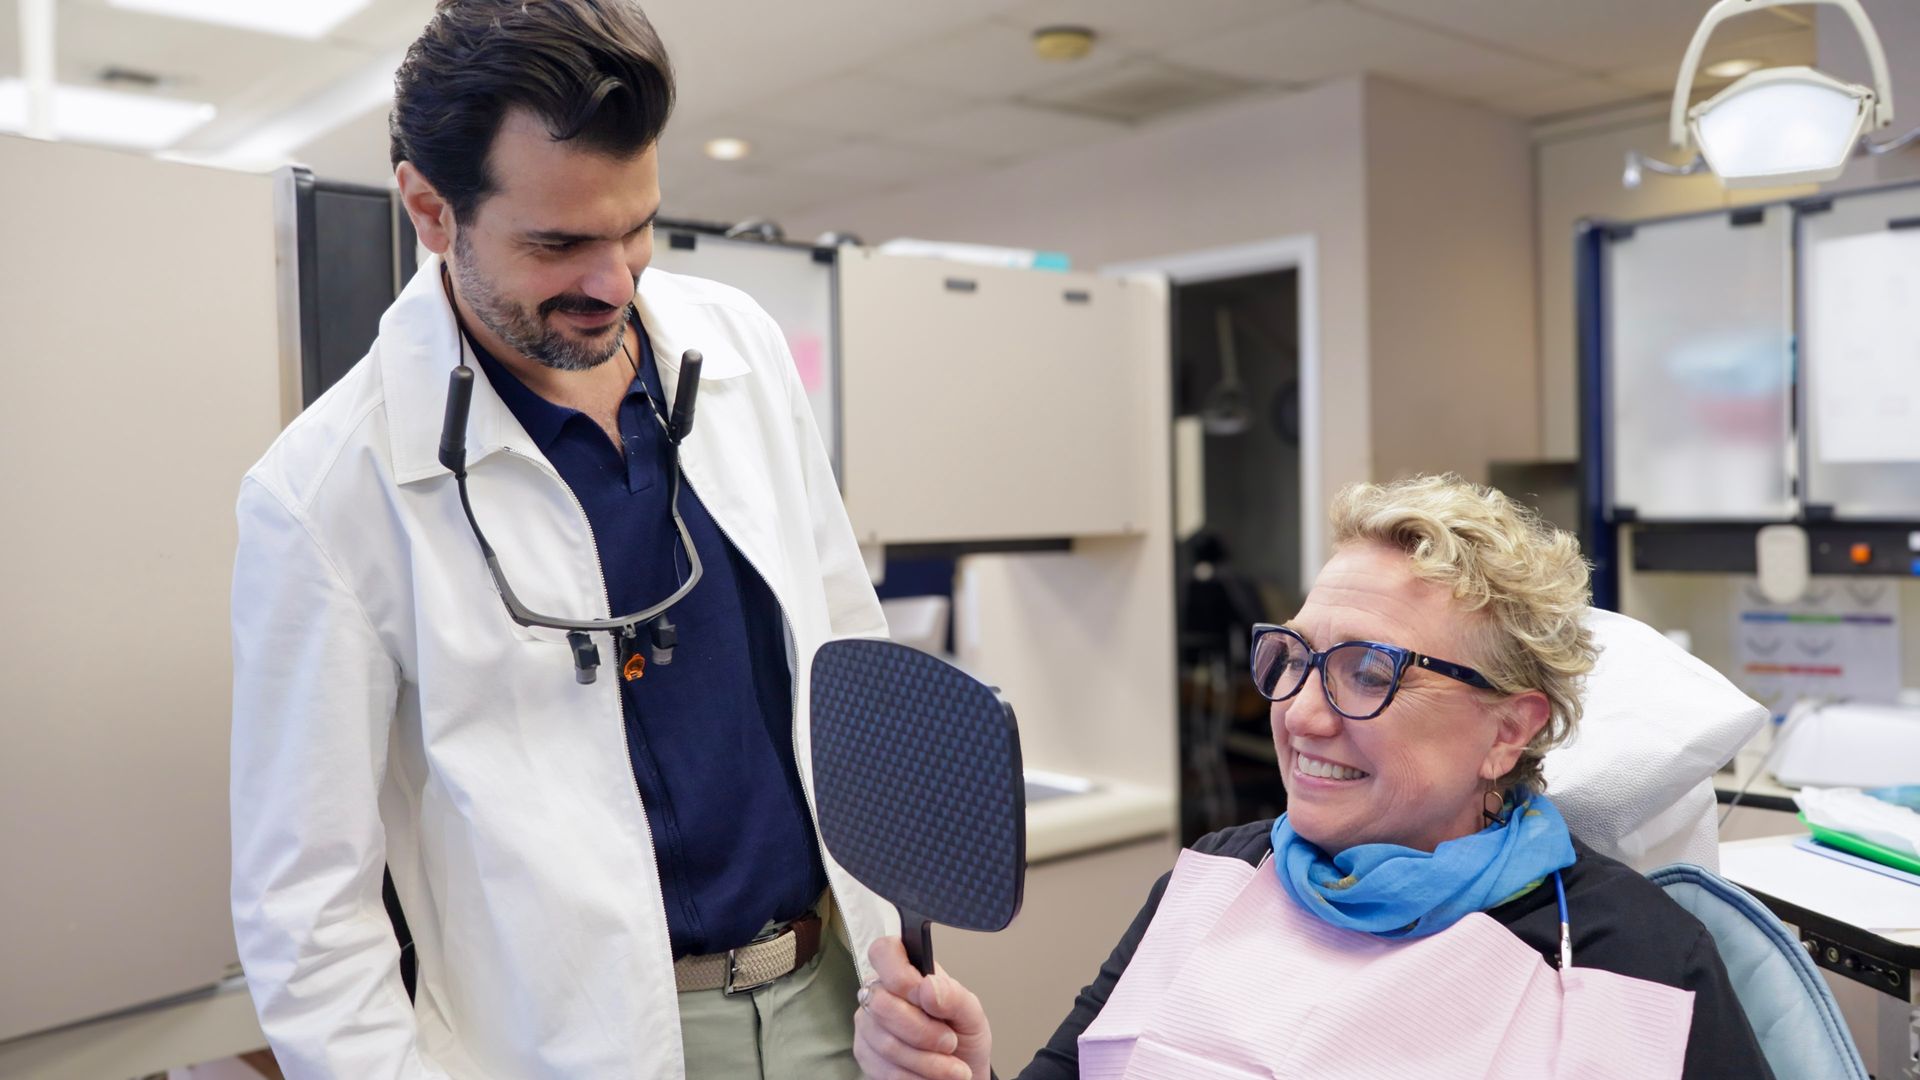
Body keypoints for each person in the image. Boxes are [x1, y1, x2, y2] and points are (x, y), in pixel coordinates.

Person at [228, 2, 892, 1076]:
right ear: (431, 210)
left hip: (840, 1001)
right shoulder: (322, 494)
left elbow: (851, 662)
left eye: (637, 228)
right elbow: (304, 910)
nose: (615, 282)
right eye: (559, 243)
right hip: (586, 1048)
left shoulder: (741, 350)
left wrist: (903, 945)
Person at [853, 476, 1774, 1080]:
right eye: (1293, 657)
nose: (1298, 712)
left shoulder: (1632, 958)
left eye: (1370, 672)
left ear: (1509, 729)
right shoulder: (1212, 881)